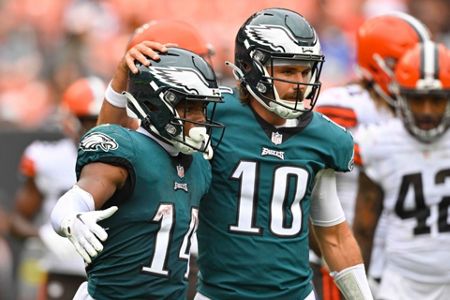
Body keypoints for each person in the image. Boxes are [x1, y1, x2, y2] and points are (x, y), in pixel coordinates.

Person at [96, 8, 373, 299]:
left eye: (306, 71)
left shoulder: (324, 137)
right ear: (253, 67)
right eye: (288, 70)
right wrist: (119, 80)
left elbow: (334, 236)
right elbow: (113, 146)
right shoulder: (210, 112)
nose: (300, 83)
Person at [51, 47, 224, 299]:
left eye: (202, 108)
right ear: (154, 104)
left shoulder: (199, 165)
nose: (199, 119)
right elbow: (77, 198)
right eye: (188, 107)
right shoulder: (127, 149)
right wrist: (72, 220)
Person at [314, 12, 431, 296]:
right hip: (345, 256)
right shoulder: (345, 107)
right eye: (405, 63)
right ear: (380, 63)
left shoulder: (420, 114)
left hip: (398, 264)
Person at [352, 41, 450, 300]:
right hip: (401, 286)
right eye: (418, 100)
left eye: (437, 100)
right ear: (401, 96)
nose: (427, 111)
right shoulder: (379, 143)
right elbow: (363, 229)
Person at [10, 76, 105, 300]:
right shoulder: (48, 159)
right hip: (63, 274)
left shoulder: (126, 157)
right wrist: (44, 235)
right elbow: (16, 221)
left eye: (103, 117)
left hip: (110, 273)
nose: (99, 127)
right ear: (69, 120)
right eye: (91, 119)